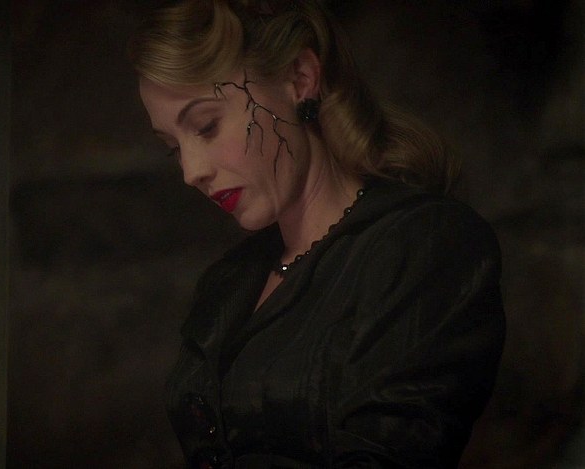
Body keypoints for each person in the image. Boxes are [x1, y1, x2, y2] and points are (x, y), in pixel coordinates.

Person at [129, 0, 505, 467]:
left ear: (300, 78)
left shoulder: (425, 244)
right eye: (173, 148)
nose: (191, 171)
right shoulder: (228, 283)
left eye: (206, 126)